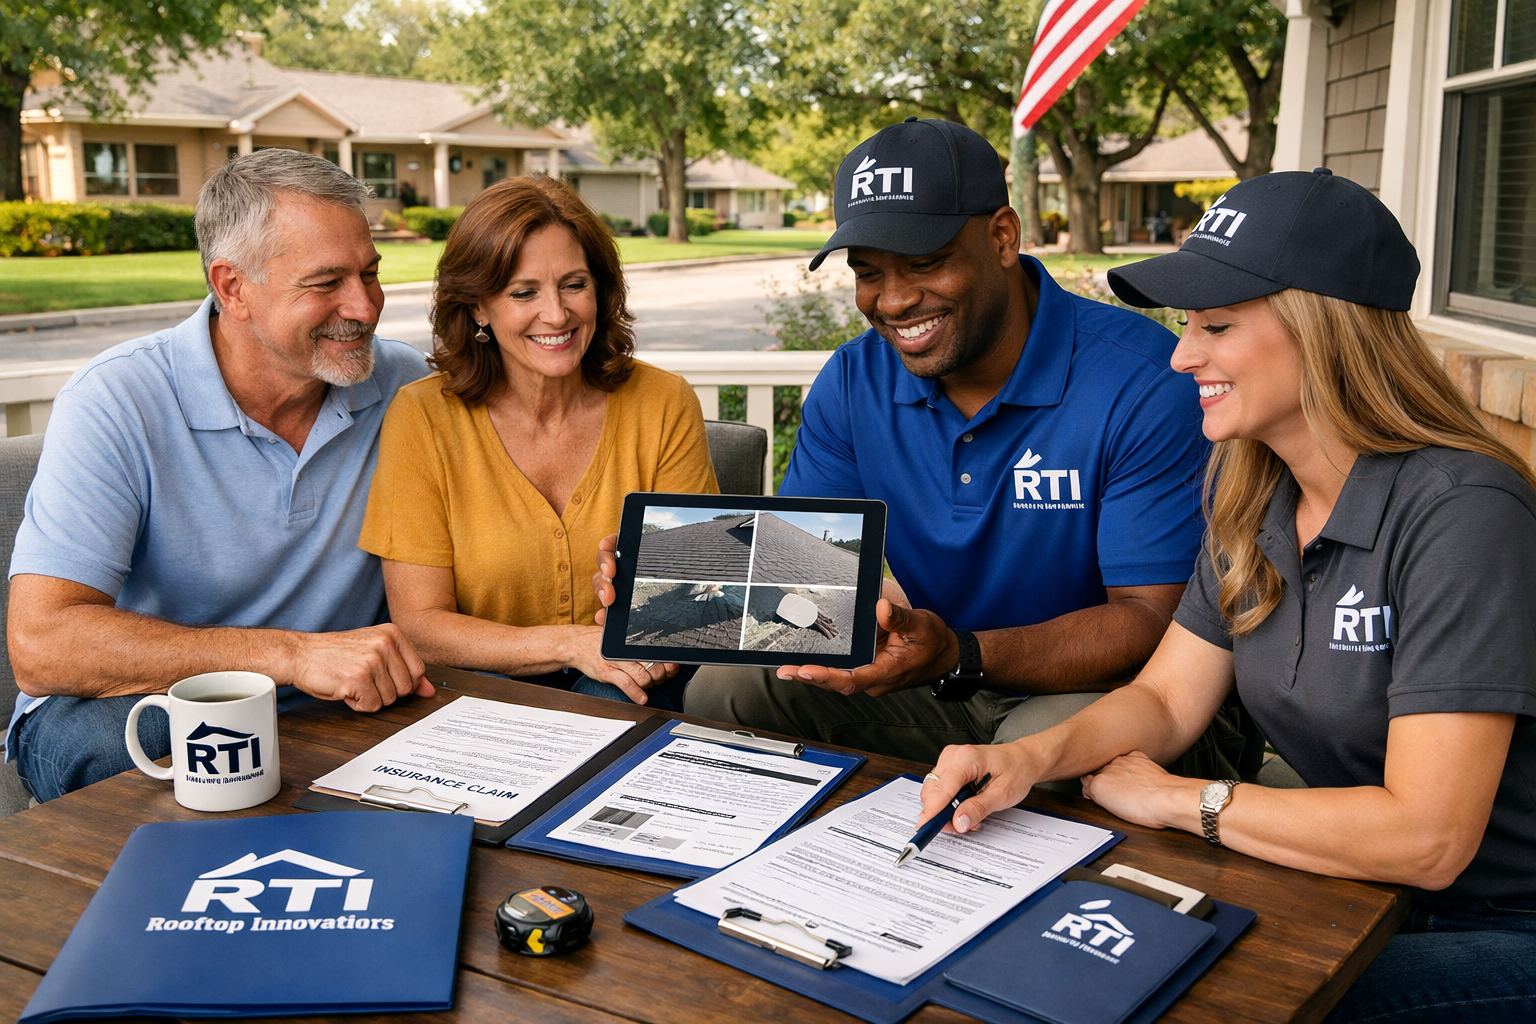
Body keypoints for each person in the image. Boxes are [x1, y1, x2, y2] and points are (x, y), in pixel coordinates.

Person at [919, 169, 1536, 1023]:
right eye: (1183, 326)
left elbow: (1428, 838)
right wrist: (1027, 761)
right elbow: (1168, 700)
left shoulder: (1463, 514)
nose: (1182, 356)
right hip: (1359, 887)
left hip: (1497, 921)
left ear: (1327, 332)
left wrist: (1183, 800)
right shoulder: (1255, 494)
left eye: (1216, 326)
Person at [599, 117, 1215, 766]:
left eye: (925, 263)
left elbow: (1150, 621)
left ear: (1002, 237)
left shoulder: (1142, 381)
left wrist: (960, 653)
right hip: (938, 676)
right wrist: (666, 573)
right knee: (729, 690)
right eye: (869, 272)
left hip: (1112, 692)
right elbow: (807, 573)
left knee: (1038, 754)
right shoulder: (852, 380)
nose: (893, 301)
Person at [6, 149, 434, 802]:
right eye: (326, 283)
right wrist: (290, 656)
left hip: (333, 703)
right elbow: (43, 643)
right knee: (164, 751)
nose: (366, 306)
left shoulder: (408, 386)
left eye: (370, 273)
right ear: (232, 287)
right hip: (128, 706)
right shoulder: (116, 399)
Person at [358, 176, 717, 710]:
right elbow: (421, 625)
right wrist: (572, 644)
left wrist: (656, 622)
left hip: (628, 692)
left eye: (574, 284)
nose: (556, 314)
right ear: (479, 306)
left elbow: (699, 602)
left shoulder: (663, 402)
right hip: (476, 702)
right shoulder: (423, 417)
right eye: (523, 292)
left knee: (608, 694)